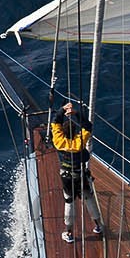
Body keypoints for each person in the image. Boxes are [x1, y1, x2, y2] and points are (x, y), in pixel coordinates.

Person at [51, 101, 103, 244]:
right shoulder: (79, 142)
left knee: (69, 202)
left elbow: (56, 122)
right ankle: (98, 225)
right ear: (75, 132)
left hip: (66, 178)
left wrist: (62, 110)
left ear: (63, 133)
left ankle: (69, 233)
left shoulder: (59, 142)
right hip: (80, 175)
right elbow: (88, 126)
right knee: (89, 198)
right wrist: (76, 114)